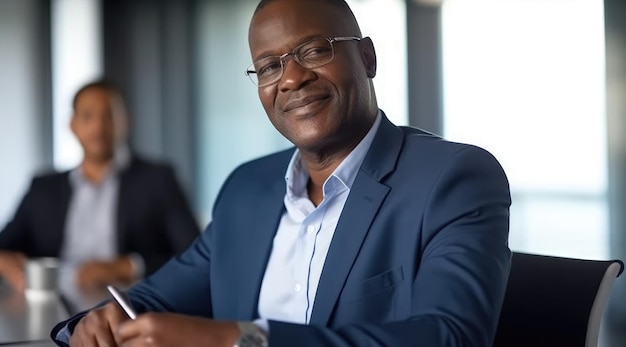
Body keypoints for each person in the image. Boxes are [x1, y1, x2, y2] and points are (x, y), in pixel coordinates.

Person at [52, 1, 511, 346]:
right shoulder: (245, 190)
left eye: (314, 50)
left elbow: (451, 337)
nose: (291, 79)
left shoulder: (454, 178)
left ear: (368, 58)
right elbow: (151, 302)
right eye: (270, 66)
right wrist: (93, 324)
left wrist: (240, 340)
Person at [0, 80, 200, 312]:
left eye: (109, 116)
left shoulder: (158, 180)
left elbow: (193, 252)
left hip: (129, 303)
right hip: (48, 306)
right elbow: (5, 243)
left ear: (126, 120)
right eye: (87, 116)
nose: (99, 127)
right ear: (72, 125)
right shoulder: (44, 187)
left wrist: (128, 266)